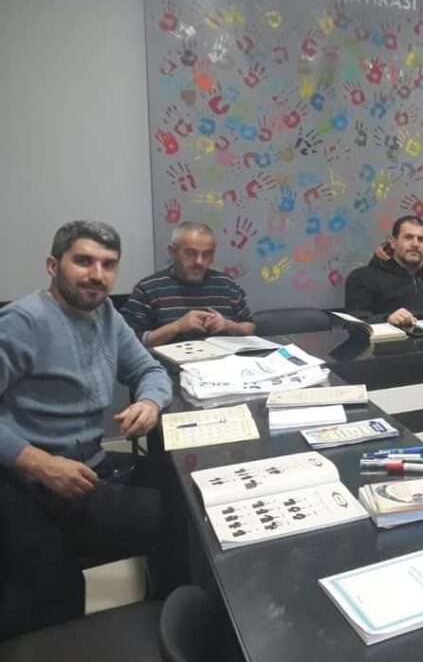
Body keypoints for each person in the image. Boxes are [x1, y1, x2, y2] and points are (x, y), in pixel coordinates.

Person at [0, 221, 173, 639]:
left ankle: (168, 607)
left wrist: (149, 402)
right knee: (176, 523)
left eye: (108, 264)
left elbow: (150, 370)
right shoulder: (23, 321)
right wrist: (39, 462)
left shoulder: (106, 313)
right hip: (27, 485)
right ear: (52, 265)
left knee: (183, 491)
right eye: (83, 261)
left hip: (87, 467)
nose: (97, 275)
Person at [121, 221, 255, 346]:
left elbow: (249, 328)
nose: (199, 262)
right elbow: (129, 342)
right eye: (191, 253)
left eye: (207, 254)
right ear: (173, 252)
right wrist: (177, 327)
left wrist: (227, 325)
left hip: (224, 360)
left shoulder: (227, 285)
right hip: (169, 363)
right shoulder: (148, 289)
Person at [345, 215, 423, 326]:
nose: (415, 244)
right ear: (393, 243)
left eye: (421, 239)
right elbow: (354, 322)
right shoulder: (363, 277)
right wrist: (387, 319)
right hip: (390, 342)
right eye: (408, 238)